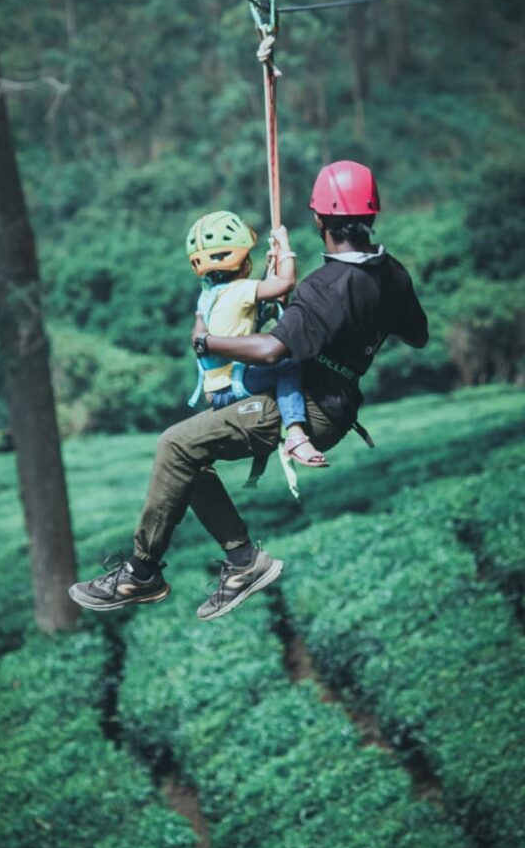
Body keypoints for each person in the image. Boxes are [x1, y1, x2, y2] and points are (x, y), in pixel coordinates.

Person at [69, 159, 429, 621]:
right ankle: (241, 563)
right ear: (372, 214)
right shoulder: (391, 274)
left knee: (174, 444)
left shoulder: (327, 286)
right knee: (187, 457)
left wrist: (207, 341)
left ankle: (141, 572)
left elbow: (271, 351)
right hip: (338, 400)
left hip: (309, 406)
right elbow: (416, 334)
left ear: (319, 219)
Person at [186, 210, 327, 467]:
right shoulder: (241, 290)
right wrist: (284, 246)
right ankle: (296, 433)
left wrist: (271, 266)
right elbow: (286, 283)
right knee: (288, 366)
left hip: (214, 390)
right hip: (233, 385)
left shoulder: (208, 295)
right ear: (242, 261)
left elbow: (260, 300)